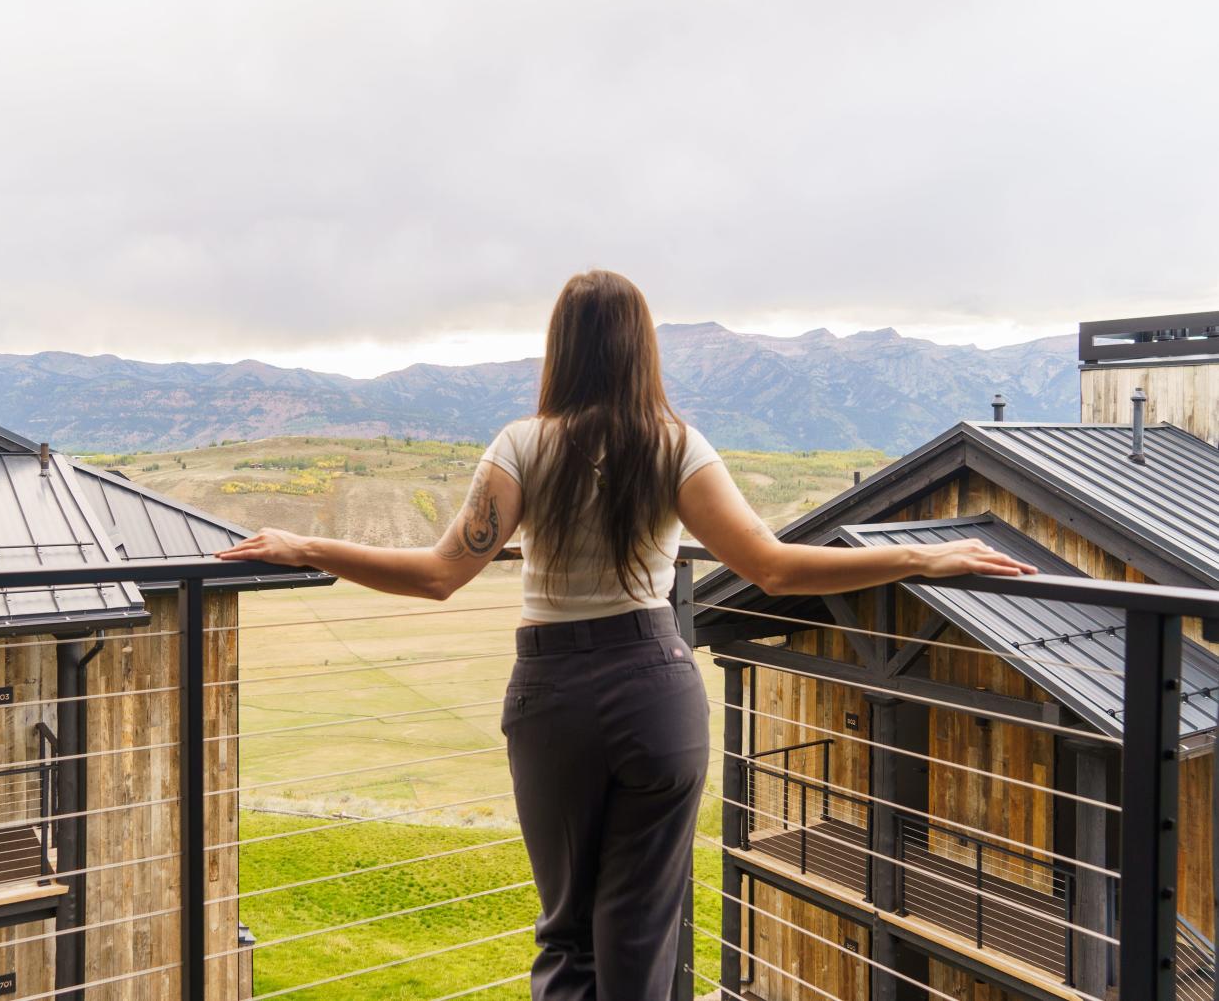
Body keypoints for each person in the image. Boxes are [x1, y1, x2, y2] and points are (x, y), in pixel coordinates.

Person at [217, 270, 1034, 1001]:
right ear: (642, 348)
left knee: (568, 931)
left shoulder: (522, 445)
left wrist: (305, 544)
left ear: (560, 348)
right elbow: (774, 568)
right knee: (640, 934)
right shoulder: (676, 445)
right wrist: (921, 556)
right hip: (656, 688)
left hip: (554, 698)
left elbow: (439, 574)